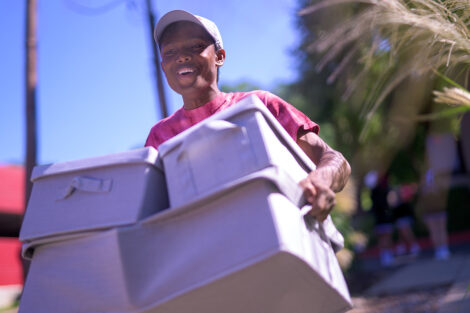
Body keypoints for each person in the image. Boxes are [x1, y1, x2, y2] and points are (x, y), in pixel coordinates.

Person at [145, 10, 351, 221]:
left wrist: (321, 179)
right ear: (163, 66)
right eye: (170, 52)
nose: (182, 56)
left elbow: (336, 160)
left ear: (219, 57)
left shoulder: (259, 106)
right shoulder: (159, 137)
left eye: (196, 46)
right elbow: (148, 210)